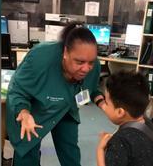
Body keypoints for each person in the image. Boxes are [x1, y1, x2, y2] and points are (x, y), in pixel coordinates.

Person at [6, 22, 106, 166]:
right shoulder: (40, 58)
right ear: (65, 53)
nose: (86, 68)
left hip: (66, 107)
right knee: (27, 152)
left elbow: (91, 88)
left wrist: (102, 103)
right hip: (34, 109)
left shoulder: (93, 66)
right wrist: (24, 112)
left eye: (90, 62)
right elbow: (18, 90)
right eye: (80, 62)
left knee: (70, 153)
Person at [97, 70, 153, 166]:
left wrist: (100, 150)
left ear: (120, 112)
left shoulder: (120, 141)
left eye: (107, 103)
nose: (104, 106)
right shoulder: (148, 124)